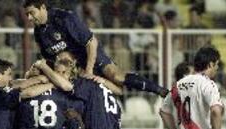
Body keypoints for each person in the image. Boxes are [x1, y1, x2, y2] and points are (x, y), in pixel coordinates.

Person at [23, 0, 168, 97]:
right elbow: (49, 58)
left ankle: (161, 91)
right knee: (116, 91)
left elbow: (91, 42)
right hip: (72, 67)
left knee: (116, 76)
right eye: (27, 14)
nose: (29, 18)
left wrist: (89, 70)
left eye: (31, 13)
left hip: (90, 56)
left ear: (42, 7)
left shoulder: (65, 18)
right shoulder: (39, 33)